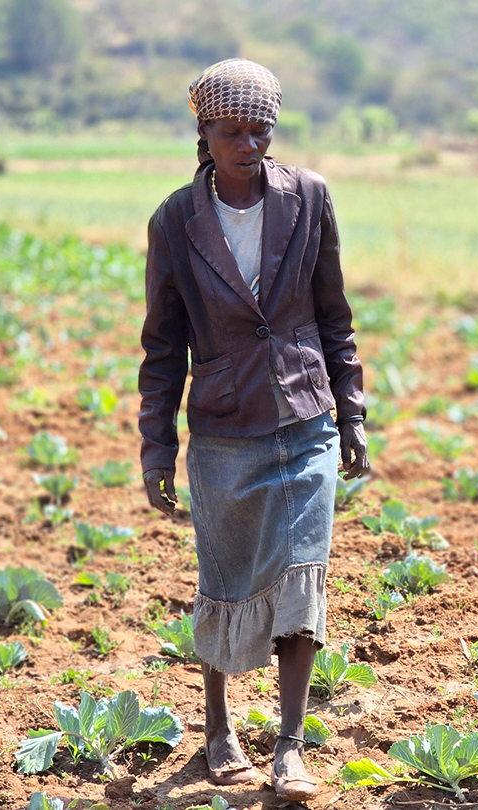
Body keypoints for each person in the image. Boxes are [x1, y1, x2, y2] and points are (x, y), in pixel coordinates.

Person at [136, 57, 369, 802]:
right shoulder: (176, 221)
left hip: (304, 417)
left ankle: (291, 746)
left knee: (303, 574)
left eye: (260, 131)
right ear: (204, 133)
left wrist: (351, 411)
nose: (248, 145)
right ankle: (219, 728)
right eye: (232, 131)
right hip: (223, 427)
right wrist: (156, 446)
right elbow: (163, 345)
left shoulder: (310, 197)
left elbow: (333, 316)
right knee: (226, 581)